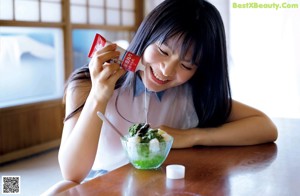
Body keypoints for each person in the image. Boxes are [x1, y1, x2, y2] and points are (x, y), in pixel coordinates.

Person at [42, 0, 277, 194]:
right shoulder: (85, 85)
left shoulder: (189, 96)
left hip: (160, 187)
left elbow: (266, 127)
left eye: (187, 64)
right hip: (105, 187)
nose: (166, 70)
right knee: (59, 189)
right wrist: (98, 96)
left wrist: (190, 137)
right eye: (163, 51)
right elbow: (72, 173)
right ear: (146, 36)